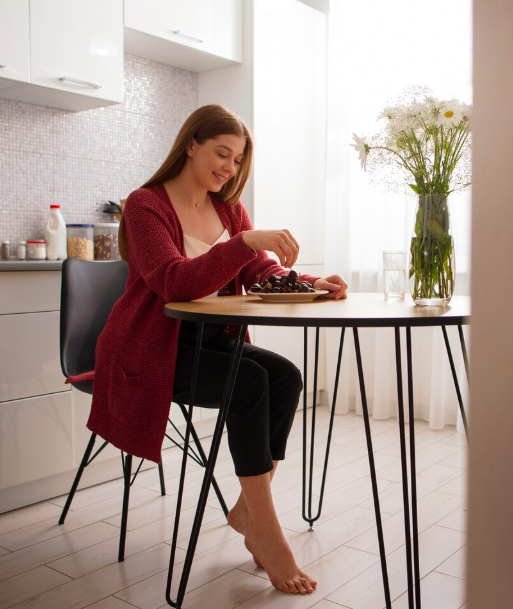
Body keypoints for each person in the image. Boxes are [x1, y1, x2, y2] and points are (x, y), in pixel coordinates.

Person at [87, 104, 349, 595]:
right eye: (221, 153)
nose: (229, 168)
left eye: (237, 159)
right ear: (191, 145)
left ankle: (247, 512)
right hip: (151, 348)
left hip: (210, 341)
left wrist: (313, 282)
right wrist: (244, 241)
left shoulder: (228, 208)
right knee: (248, 382)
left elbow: (262, 272)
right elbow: (174, 282)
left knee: (285, 376)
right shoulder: (145, 204)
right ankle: (267, 534)